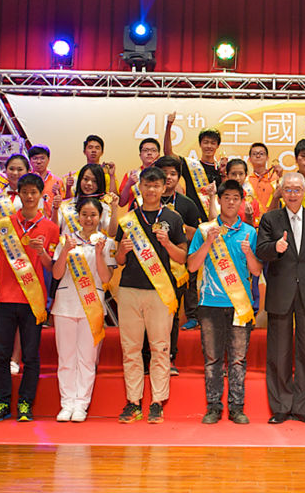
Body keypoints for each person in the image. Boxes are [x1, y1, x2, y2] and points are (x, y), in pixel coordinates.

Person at [114, 166, 187, 424]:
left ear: (164, 188)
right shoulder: (129, 220)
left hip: (160, 291)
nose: (152, 190)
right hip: (129, 290)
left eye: (157, 185)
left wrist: (167, 243)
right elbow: (119, 261)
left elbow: (183, 257)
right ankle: (133, 402)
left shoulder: (173, 218)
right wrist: (122, 250)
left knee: (159, 348)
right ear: (141, 187)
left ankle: (157, 401)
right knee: (131, 349)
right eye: (147, 185)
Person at [256, 169, 305, 424]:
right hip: (281, 292)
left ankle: (303, 407)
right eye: (288, 190)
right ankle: (281, 406)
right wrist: (275, 248)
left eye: (297, 190)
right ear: (281, 192)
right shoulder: (270, 218)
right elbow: (261, 250)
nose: (293, 194)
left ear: (304, 191)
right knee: (279, 352)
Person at [188, 181, 262, 424]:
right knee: (212, 359)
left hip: (240, 305)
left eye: (235, 198)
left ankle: (237, 407)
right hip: (210, 303)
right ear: (219, 200)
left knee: (238, 360)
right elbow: (191, 266)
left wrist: (249, 253)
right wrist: (208, 242)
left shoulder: (250, 232)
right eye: (226, 197)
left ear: (242, 201)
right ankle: (213, 406)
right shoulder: (204, 230)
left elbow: (257, 270)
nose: (231, 202)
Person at [0, 173, 59, 423]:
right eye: (25, 192)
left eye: (34, 193)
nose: (29, 197)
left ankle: (26, 403)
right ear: (18, 195)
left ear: (40, 196)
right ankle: (2, 402)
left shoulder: (50, 228)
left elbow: (51, 268)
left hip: (33, 300)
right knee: (1, 355)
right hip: (5, 298)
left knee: (30, 356)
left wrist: (42, 253)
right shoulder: (3, 225)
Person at [51, 197, 115, 422]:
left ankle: (81, 404)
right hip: (66, 303)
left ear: (100, 217)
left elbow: (106, 278)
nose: (88, 219)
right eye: (84, 214)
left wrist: (98, 254)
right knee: (66, 357)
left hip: (93, 304)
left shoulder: (106, 243)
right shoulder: (66, 240)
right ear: (78, 216)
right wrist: (66, 250)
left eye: (93, 215)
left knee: (87, 358)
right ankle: (66, 403)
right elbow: (57, 274)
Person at [152, 156, 203, 359]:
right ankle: (149, 355)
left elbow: (197, 233)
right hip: (150, 267)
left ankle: (170, 354)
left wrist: (177, 228)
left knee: (171, 313)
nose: (169, 177)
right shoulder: (145, 201)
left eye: (173, 173)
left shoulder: (187, 204)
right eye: (164, 173)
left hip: (177, 265)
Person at [164, 114, 223, 221]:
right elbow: (168, 153)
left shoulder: (221, 169)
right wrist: (168, 126)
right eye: (206, 142)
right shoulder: (190, 165)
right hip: (192, 219)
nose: (209, 146)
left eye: (213, 143)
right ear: (200, 144)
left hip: (215, 220)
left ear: (217, 146)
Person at [118, 137, 162, 208]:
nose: (149, 153)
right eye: (145, 150)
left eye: (153, 150)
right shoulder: (131, 175)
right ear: (140, 155)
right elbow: (121, 203)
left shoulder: (164, 175)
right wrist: (129, 184)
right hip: (135, 216)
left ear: (158, 155)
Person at [245, 142, 282, 224]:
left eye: (261, 154)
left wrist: (280, 177)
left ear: (267, 158)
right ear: (249, 159)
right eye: (255, 154)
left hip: (273, 222)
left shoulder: (276, 179)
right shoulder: (246, 181)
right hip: (251, 223)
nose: (258, 156)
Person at [28, 145, 66, 219]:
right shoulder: (26, 181)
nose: (38, 162)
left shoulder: (57, 181)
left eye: (42, 158)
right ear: (30, 160)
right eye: (35, 158)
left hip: (52, 222)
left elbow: (64, 204)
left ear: (48, 160)